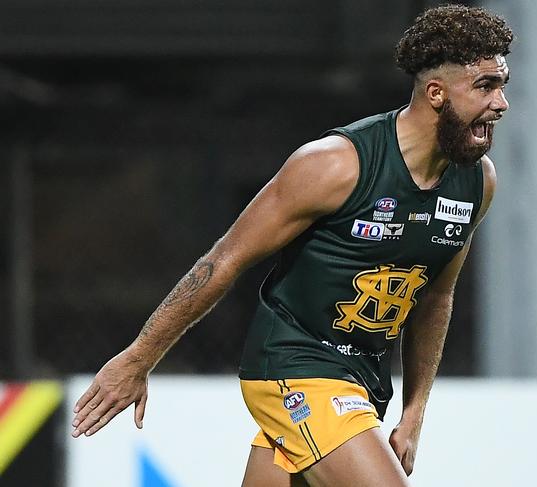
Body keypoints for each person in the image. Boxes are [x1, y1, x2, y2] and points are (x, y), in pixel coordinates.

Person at [72, 4, 513, 486]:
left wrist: (415, 409)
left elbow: (435, 296)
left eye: (502, 85)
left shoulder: (477, 183)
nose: (502, 103)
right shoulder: (336, 165)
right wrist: (139, 357)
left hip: (362, 380)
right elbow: (223, 260)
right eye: (486, 86)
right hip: (294, 365)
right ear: (435, 93)